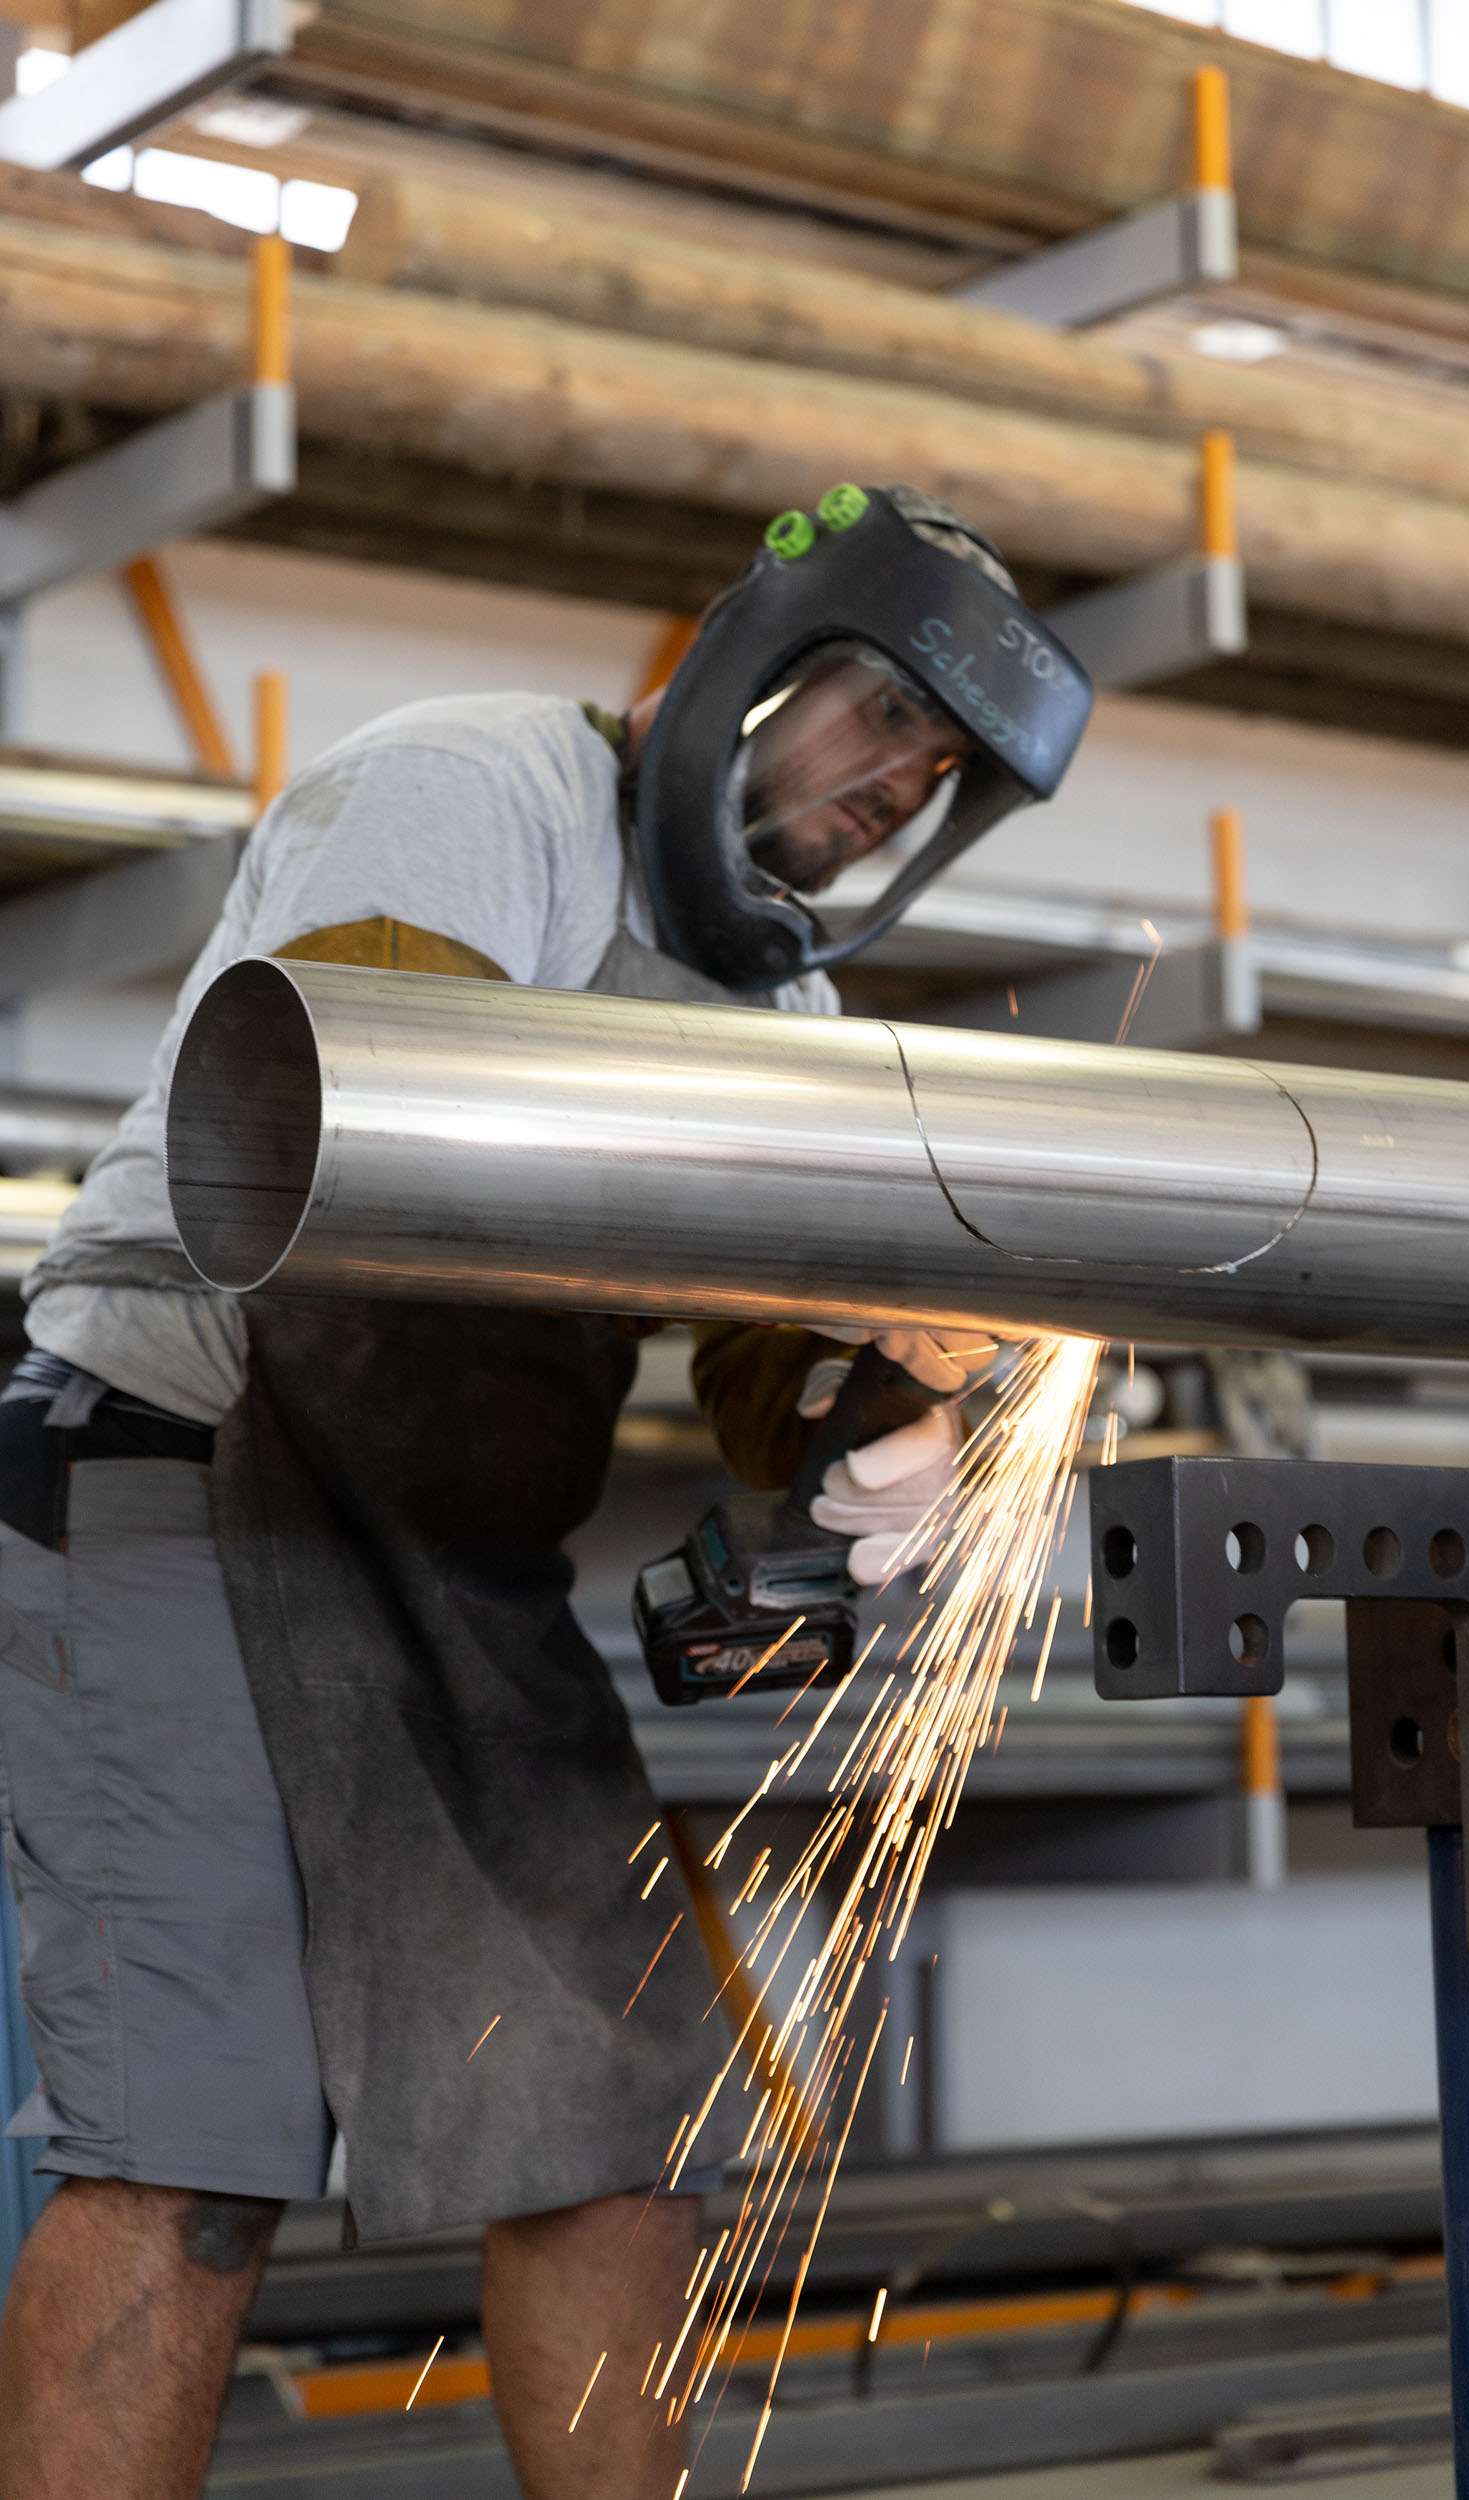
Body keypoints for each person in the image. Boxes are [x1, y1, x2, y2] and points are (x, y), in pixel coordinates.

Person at [0, 484, 1090, 2498]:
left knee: (616, 2118)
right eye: (873, 719)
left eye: (932, 778)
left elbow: (773, 1401)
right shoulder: (474, 787)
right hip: (173, 1461)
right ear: (741, 663)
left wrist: (899, 1389)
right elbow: (385, 1135)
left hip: (445, 1556)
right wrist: (813, 1231)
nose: (887, 792)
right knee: (194, 2144)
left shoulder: (793, 1021)